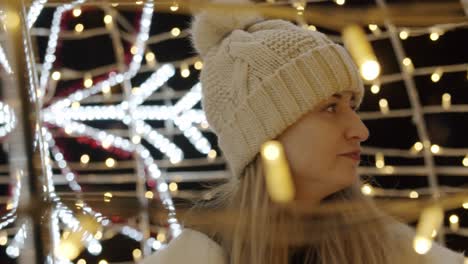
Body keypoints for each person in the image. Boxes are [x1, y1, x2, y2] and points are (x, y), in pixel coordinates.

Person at [142, 1, 466, 263]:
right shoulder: (198, 255)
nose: (360, 130)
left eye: (352, 106)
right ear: (266, 132)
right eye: (330, 107)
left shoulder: (393, 249)